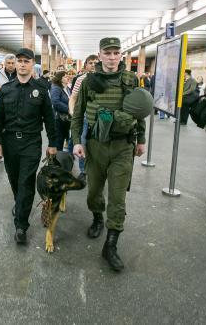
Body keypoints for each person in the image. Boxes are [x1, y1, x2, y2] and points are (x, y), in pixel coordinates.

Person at [71, 38, 145, 272]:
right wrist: (76, 142)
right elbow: (78, 114)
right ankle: (96, 217)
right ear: (99, 55)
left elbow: (139, 110)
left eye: (116, 53)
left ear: (121, 55)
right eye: (108, 53)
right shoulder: (88, 81)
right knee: (94, 192)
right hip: (95, 145)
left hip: (123, 146)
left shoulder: (131, 80)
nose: (112, 57)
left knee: (117, 197)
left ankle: (111, 245)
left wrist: (140, 139)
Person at [0, 48, 57, 244]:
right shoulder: (6, 89)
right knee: (14, 181)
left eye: (26, 61)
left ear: (32, 65)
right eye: (19, 61)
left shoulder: (41, 89)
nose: (21, 64)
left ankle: (21, 225)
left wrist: (53, 143)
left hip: (31, 142)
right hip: (10, 142)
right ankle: (20, 204)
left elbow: (50, 119)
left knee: (26, 182)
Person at [68, 54, 99, 181]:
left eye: (95, 63)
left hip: (101, 117)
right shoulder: (81, 79)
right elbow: (73, 97)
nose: (93, 65)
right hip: (85, 115)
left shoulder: (104, 78)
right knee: (82, 141)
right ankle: (83, 170)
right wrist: (72, 112)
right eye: (90, 63)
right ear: (85, 65)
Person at [50, 71, 71, 151]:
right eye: (65, 76)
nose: (68, 77)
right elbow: (55, 102)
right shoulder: (56, 88)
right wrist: (68, 109)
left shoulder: (67, 88)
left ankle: (65, 158)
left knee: (67, 138)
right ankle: (57, 160)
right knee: (59, 141)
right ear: (60, 78)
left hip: (66, 119)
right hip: (59, 119)